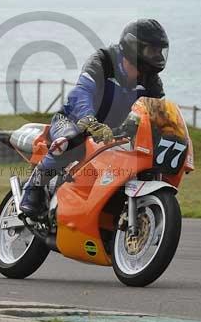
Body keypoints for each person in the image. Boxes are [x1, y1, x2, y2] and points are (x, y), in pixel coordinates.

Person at [19, 18, 169, 217]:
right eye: (152, 50)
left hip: (113, 133)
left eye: (160, 51)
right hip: (72, 120)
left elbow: (157, 113)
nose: (157, 56)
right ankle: (33, 188)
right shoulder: (103, 61)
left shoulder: (151, 81)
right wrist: (90, 121)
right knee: (70, 141)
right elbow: (83, 92)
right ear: (134, 48)